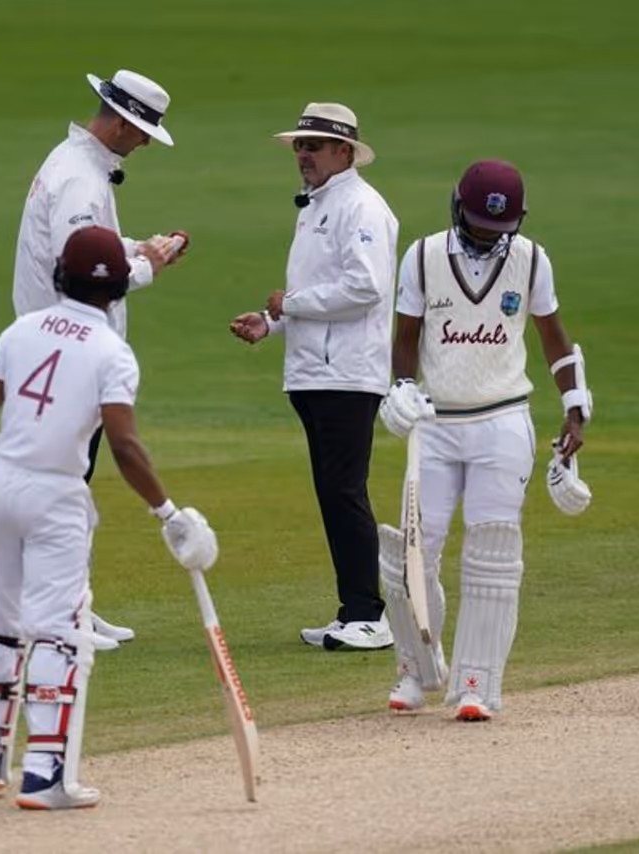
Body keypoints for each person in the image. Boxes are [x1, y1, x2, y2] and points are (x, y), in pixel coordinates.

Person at [0, 226, 218, 808]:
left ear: (60, 276)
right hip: (56, 495)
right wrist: (167, 513)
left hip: (0, 485)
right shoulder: (112, 351)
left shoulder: (21, 330)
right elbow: (125, 446)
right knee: (59, 633)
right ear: (119, 288)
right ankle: (45, 777)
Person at [376, 159, 593, 722]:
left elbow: (554, 338)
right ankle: (416, 667)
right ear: (457, 208)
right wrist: (401, 388)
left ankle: (476, 681)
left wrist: (575, 408)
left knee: (492, 552)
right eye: (477, 225)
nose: (485, 237)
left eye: (497, 229)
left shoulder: (531, 259)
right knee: (411, 553)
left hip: (502, 421)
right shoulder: (423, 256)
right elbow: (406, 336)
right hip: (436, 424)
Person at [12, 68, 190, 643]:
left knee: (72, 484)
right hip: (66, 350)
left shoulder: (76, 164)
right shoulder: (80, 180)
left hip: (61, 347)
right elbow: (81, 273)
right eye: (141, 132)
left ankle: (69, 604)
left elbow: (90, 249)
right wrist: (147, 267)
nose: (144, 144)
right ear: (119, 125)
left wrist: (137, 246)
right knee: (64, 488)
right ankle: (54, 615)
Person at [229, 103, 398, 651]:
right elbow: (318, 291)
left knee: (344, 490)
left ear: (345, 152)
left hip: (347, 373)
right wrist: (273, 321)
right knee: (334, 492)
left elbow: (366, 288)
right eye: (300, 145)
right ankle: (354, 611)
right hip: (316, 372)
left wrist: (292, 305)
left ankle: (369, 615)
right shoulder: (318, 204)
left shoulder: (360, 206)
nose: (303, 154)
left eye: (315, 146)